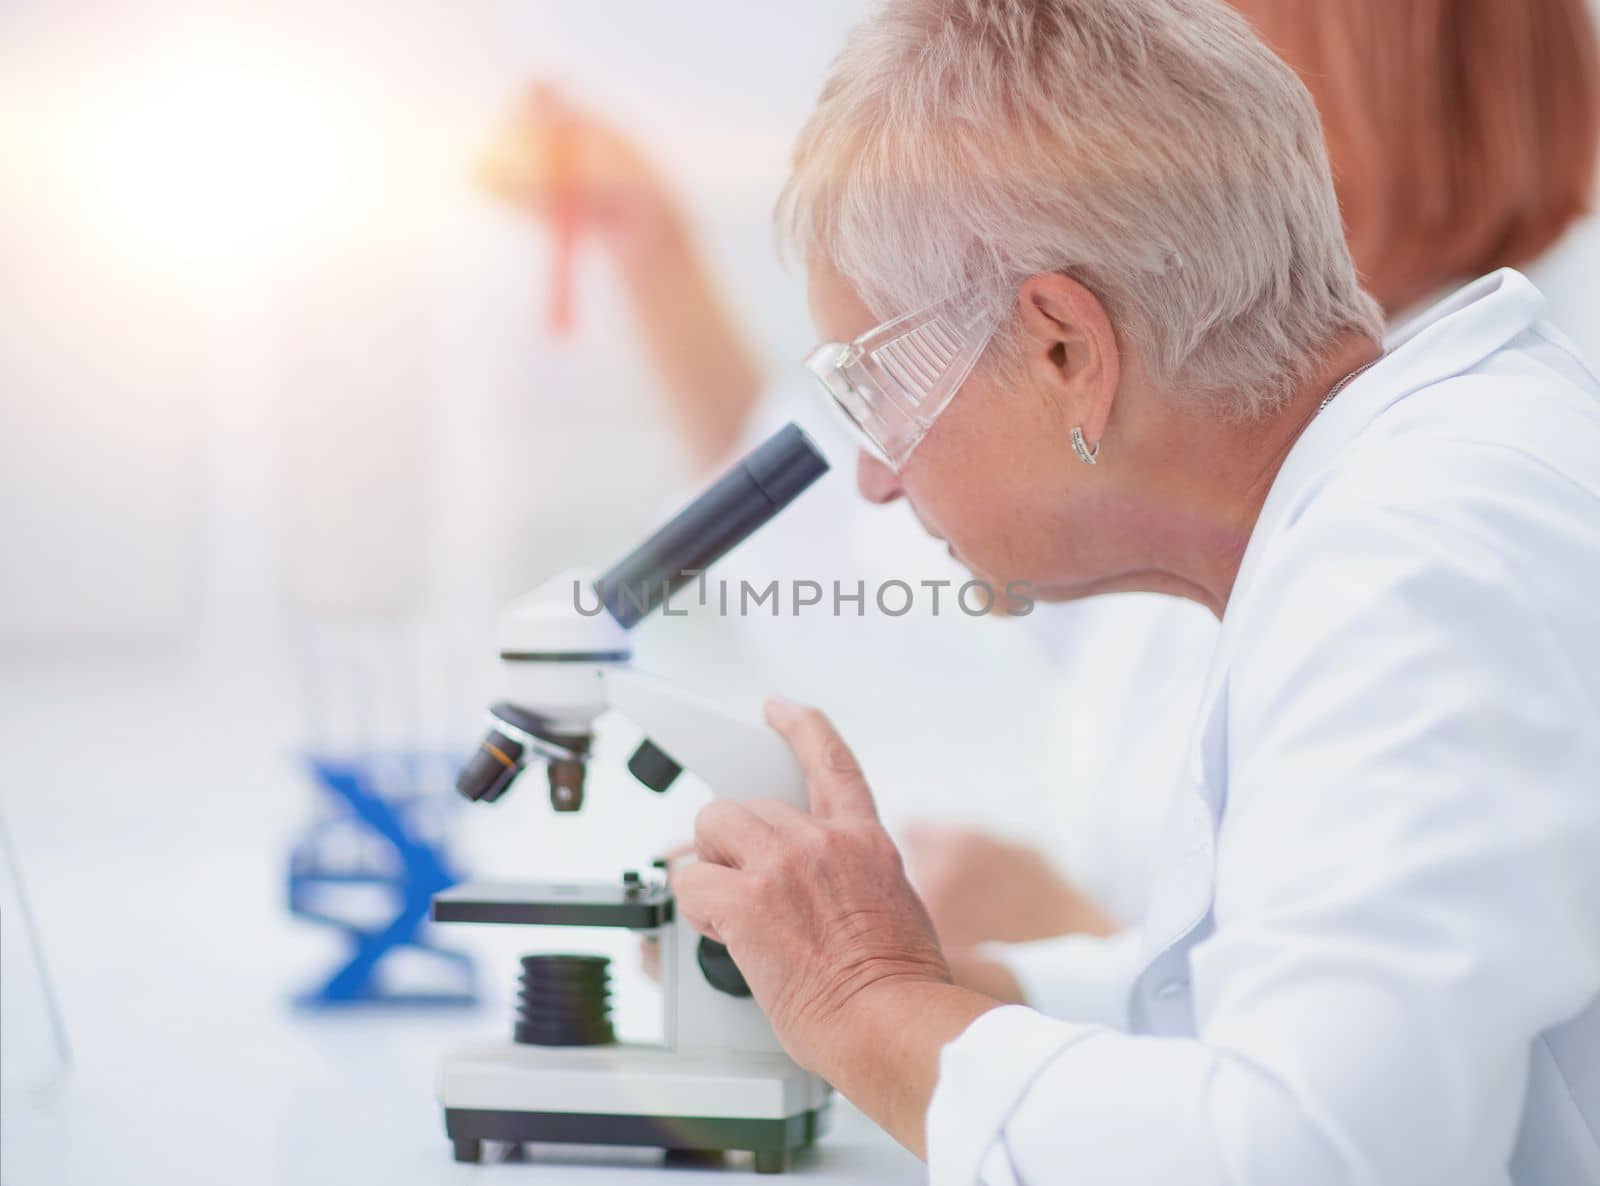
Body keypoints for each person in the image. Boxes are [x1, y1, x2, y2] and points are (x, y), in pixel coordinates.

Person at [661, 1, 1600, 1183]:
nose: (876, 475)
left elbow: (1311, 1152)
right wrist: (943, 976)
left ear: (1064, 350)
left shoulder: (1413, 565)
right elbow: (1290, 1005)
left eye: (877, 391)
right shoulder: (1372, 502)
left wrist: (864, 997)